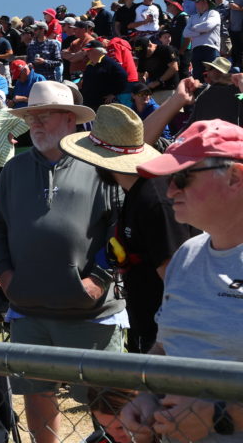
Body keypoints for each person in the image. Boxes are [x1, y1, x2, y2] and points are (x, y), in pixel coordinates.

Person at [0, 80, 123, 443]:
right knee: (37, 396)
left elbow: (121, 228)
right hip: (29, 310)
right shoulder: (13, 170)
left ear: (70, 119)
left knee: (108, 405)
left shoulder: (101, 164)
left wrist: (100, 278)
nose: (36, 123)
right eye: (31, 117)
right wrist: (5, 273)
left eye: (44, 115)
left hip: (90, 313)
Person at [121, 120, 243, 443]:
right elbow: (166, 345)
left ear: (235, 177)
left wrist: (219, 416)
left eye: (181, 178)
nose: (170, 189)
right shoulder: (186, 255)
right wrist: (146, 394)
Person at [58, 104, 193, 354]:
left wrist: (162, 345)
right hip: (148, 327)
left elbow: (177, 282)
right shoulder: (136, 191)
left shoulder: (155, 200)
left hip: (167, 341)